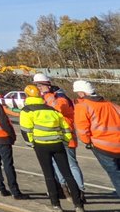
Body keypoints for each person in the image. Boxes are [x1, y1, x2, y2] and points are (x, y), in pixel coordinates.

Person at [20, 84, 86, 212]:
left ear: (27, 96)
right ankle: (79, 206)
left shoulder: (27, 111)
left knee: (49, 175)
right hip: (58, 144)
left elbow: (26, 130)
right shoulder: (52, 110)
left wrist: (31, 144)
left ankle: (56, 205)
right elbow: (65, 128)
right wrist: (66, 141)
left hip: (41, 146)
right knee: (68, 174)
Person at [33, 72, 85, 200]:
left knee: (71, 164)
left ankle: (80, 191)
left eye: (40, 86)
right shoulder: (48, 96)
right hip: (55, 136)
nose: (39, 89)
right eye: (37, 86)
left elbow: (57, 111)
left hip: (66, 135)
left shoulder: (60, 97)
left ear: (47, 85)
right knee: (57, 164)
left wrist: (47, 98)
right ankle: (65, 189)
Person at [73, 80, 120, 212]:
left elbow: (82, 129)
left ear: (82, 93)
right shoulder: (110, 104)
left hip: (103, 147)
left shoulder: (83, 106)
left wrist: (88, 142)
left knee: (116, 177)